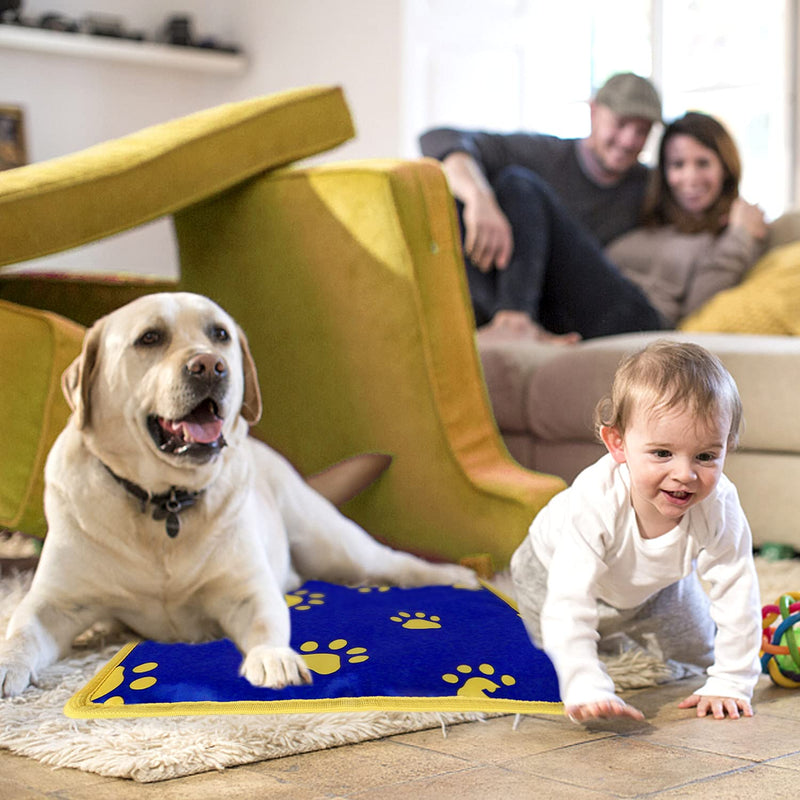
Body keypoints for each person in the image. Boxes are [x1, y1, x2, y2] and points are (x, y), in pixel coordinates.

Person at [510, 341, 761, 723]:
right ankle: (592, 660)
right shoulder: (595, 499)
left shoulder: (719, 503)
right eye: (662, 453)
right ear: (618, 443)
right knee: (554, 655)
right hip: (548, 574)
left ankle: (622, 633)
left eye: (706, 456)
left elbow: (737, 587)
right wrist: (586, 685)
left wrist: (732, 681)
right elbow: (569, 599)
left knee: (698, 656)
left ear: (727, 447)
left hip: (657, 585)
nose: (685, 474)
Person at [419, 72, 666, 342]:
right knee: (464, 196)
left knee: (518, 184)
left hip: (617, 308)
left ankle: (514, 321)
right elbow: (437, 139)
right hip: (553, 306)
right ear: (593, 112)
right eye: (620, 124)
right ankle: (507, 324)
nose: (629, 140)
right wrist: (479, 199)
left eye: (642, 131)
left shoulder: (651, 185)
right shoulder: (545, 154)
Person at [606, 111, 768, 327]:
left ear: (725, 168)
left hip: (643, 318)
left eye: (702, 163)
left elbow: (698, 306)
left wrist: (740, 235)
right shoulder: (652, 220)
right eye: (678, 165)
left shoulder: (739, 231)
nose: (690, 178)